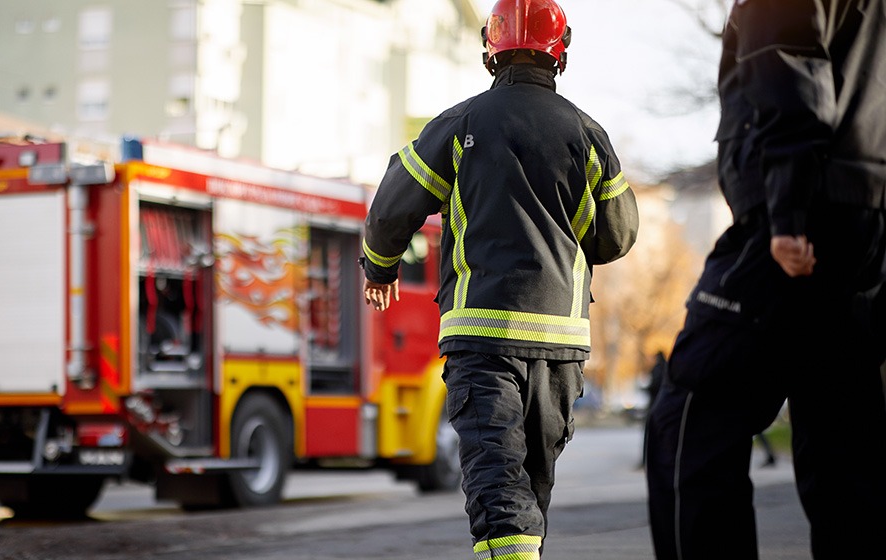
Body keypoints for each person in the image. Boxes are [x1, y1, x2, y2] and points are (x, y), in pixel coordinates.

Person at [360, 1, 639, 557]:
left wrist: (380, 264)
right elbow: (616, 236)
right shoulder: (587, 134)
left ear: (491, 50)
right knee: (528, 490)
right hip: (560, 347)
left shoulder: (460, 124)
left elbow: (392, 206)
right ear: (559, 52)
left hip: (483, 340)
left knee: (497, 486)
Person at [645, 1, 886, 559]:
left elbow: (789, 61)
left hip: (800, 221)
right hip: (863, 223)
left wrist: (789, 211)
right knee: (844, 441)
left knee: (690, 417)